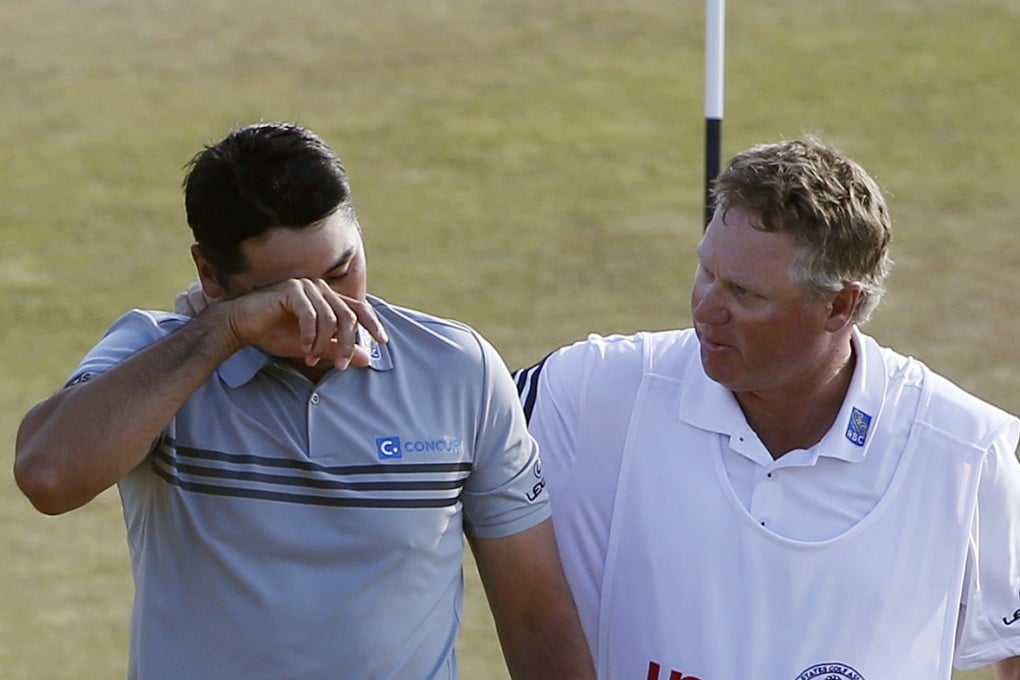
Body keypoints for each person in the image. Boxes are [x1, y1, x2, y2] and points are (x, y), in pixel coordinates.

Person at [14, 122, 595, 680]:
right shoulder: (157, 358)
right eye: (282, 296)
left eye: (342, 272)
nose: (326, 311)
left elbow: (535, 614)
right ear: (210, 276)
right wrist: (222, 334)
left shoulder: (459, 370)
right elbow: (47, 475)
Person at [513, 137, 1020, 679]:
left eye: (744, 293)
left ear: (839, 305)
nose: (705, 310)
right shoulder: (590, 391)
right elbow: (438, 441)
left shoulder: (966, 451)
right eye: (706, 272)